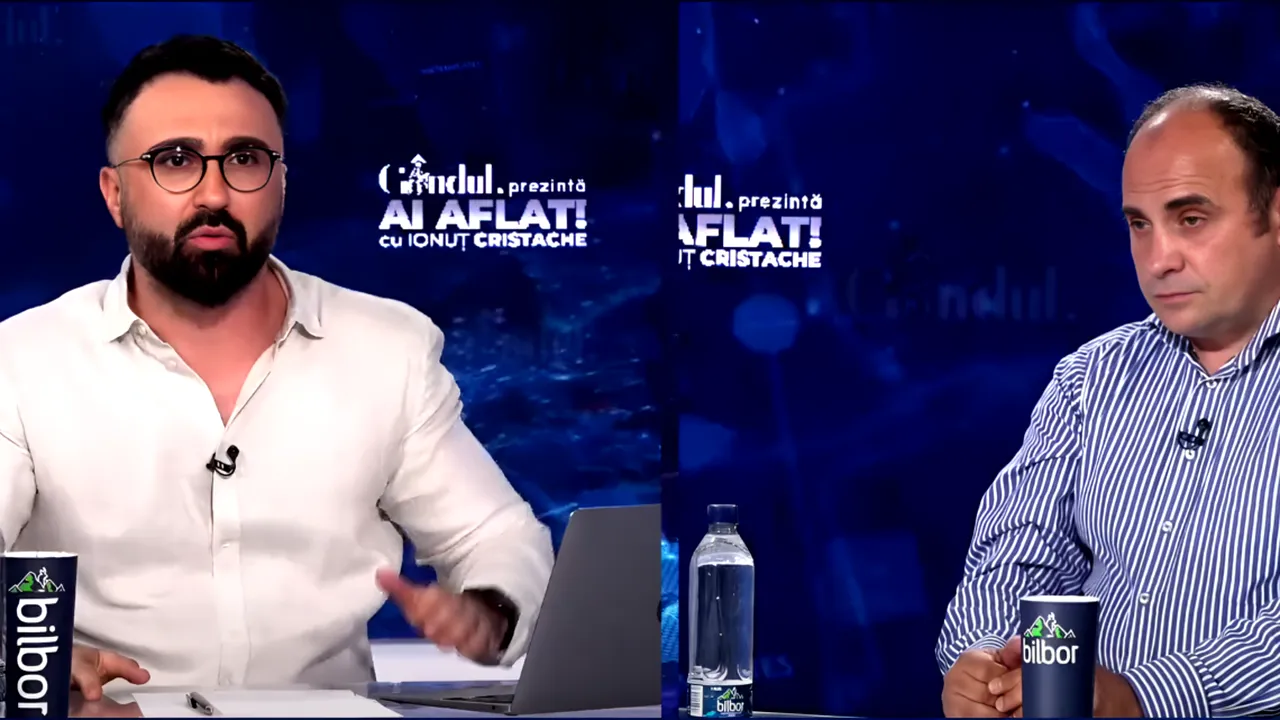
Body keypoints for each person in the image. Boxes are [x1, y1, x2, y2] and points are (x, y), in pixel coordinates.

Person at [0, 35, 554, 698]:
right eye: (175, 160)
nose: (213, 194)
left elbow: (498, 536)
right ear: (115, 193)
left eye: (244, 159)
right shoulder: (25, 363)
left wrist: (489, 611)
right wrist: (26, 653)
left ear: (282, 183)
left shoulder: (386, 351)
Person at [938, 83, 1280, 718]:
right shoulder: (1092, 377)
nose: (1158, 259)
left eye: (1191, 219)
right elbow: (1019, 556)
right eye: (1139, 225)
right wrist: (992, 666)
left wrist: (1139, 698)